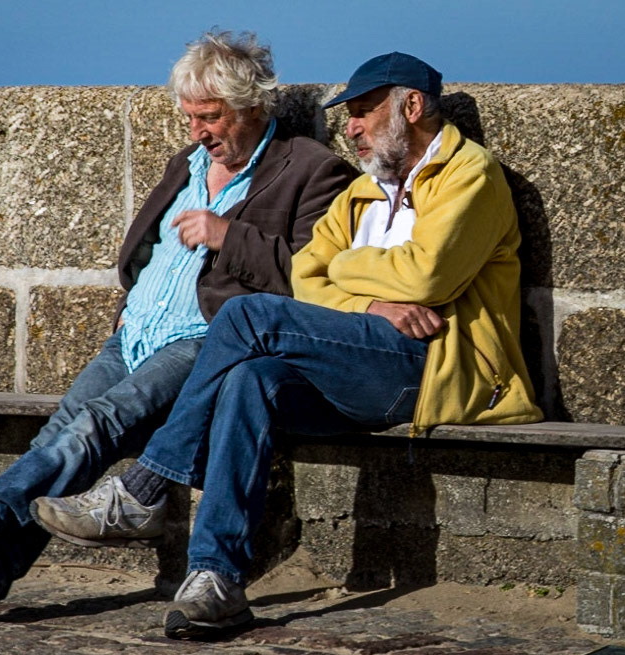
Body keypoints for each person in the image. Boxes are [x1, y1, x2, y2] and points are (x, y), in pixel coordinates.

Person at [32, 51, 544, 639]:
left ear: (412, 106)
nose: (350, 127)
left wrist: (345, 270)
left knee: (248, 315)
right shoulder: (363, 194)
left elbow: (426, 277)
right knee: (252, 382)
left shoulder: (469, 175)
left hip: (434, 366)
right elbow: (305, 274)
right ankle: (216, 579)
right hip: (361, 359)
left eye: (362, 112)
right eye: (348, 116)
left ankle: (147, 486)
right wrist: (372, 301)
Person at [0, 29, 356, 621]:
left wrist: (226, 235)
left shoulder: (311, 170)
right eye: (188, 117)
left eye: (209, 117)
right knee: (59, 434)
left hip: (204, 340)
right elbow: (147, 252)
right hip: (135, 334)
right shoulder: (186, 163)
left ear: (252, 106)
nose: (197, 132)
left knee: (95, 427)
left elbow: (315, 279)